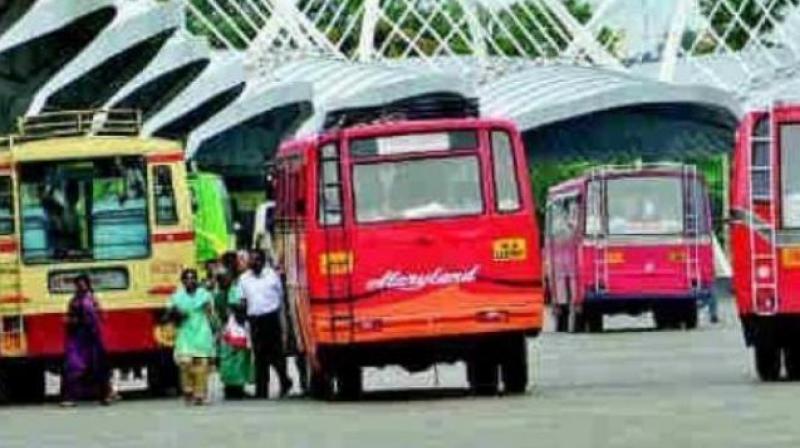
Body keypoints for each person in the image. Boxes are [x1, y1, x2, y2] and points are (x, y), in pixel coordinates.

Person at [238, 249, 292, 398]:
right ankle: (261, 391)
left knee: (276, 355)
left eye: (257, 260)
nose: (253, 263)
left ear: (263, 261)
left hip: (271, 319)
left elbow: (280, 296)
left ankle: (284, 381)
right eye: (251, 260)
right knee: (260, 356)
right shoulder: (243, 279)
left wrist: (283, 320)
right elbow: (242, 299)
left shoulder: (272, 276)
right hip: (255, 320)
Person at [61, 274, 113, 407]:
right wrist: (71, 321)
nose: (80, 286)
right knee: (74, 367)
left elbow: (101, 315)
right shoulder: (74, 301)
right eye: (78, 284)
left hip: (93, 337)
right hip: (79, 338)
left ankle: (105, 396)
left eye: (83, 283)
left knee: (99, 367)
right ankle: (70, 398)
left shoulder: (93, 299)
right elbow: (68, 318)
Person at [168, 269, 216, 405]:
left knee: (201, 364)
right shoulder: (176, 296)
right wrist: (175, 313)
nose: (190, 281)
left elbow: (210, 313)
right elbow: (168, 313)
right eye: (187, 278)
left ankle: (200, 394)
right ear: (182, 281)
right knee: (185, 363)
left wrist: (215, 329)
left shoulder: (205, 295)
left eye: (193, 278)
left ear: (197, 280)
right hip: (185, 333)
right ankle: (188, 390)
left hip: (201, 331)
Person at [216, 252, 253, 399]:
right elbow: (228, 301)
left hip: (229, 322)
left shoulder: (228, 278)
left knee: (232, 356)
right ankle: (234, 388)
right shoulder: (230, 279)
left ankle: (234, 386)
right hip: (233, 322)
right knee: (236, 355)